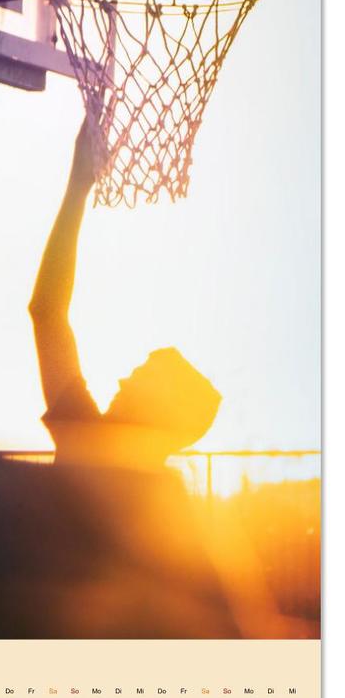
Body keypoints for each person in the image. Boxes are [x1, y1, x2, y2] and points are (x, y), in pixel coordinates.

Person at [29, 118, 222, 470]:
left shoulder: (87, 440)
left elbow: (47, 311)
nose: (122, 379)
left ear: (157, 406)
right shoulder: (167, 509)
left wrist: (78, 186)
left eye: (137, 379)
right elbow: (47, 313)